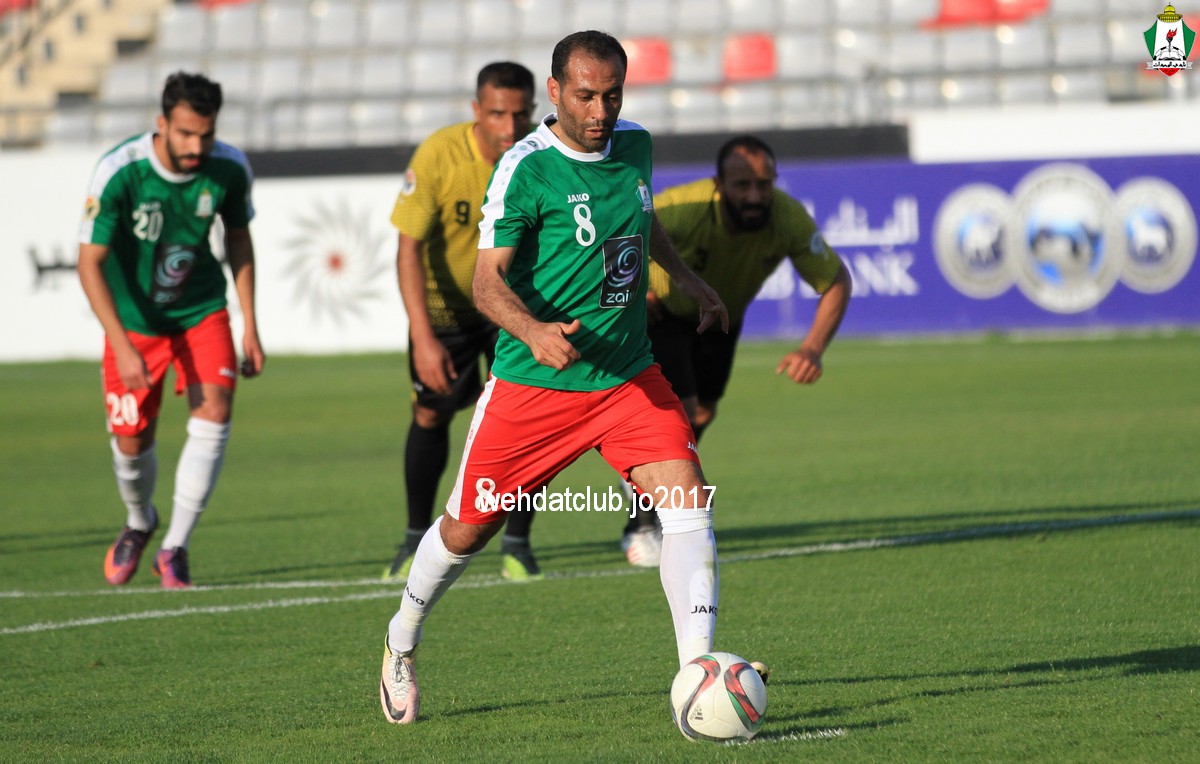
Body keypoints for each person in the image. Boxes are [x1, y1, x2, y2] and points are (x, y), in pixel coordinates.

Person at [379, 30, 729, 725]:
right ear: (556, 91)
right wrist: (534, 331)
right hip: (534, 389)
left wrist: (688, 280)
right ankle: (401, 639)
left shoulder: (636, 144)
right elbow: (486, 283)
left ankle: (698, 674)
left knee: (688, 503)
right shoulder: (525, 169)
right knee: (465, 532)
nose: (600, 111)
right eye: (586, 95)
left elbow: (642, 218)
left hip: (627, 377)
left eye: (612, 95)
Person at [619, 135, 853, 564]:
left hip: (722, 320)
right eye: (743, 185)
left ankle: (647, 479)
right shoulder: (685, 206)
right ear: (719, 183)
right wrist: (637, 294)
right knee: (681, 412)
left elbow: (835, 280)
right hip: (664, 313)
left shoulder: (786, 218)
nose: (755, 196)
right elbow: (623, 231)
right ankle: (644, 523)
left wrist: (813, 348)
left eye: (764, 184)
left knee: (702, 414)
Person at [77, 71, 264, 589]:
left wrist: (250, 324)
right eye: (185, 133)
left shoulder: (229, 167)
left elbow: (239, 240)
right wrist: (121, 344)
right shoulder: (119, 171)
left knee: (215, 412)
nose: (196, 146)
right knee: (131, 441)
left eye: (206, 134)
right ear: (161, 123)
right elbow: (89, 263)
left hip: (201, 310)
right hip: (134, 323)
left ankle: (175, 546)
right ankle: (140, 521)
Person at [382, 62, 542, 583]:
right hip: (444, 310)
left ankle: (517, 545)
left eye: (520, 114)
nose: (509, 126)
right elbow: (408, 249)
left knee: (524, 421)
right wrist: (423, 337)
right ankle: (414, 539)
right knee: (431, 415)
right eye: (497, 113)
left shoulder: (541, 155)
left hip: (511, 306)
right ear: (477, 110)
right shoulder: (439, 154)